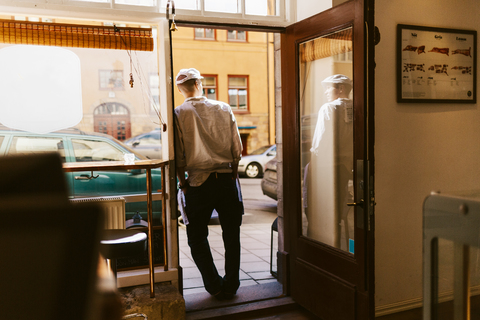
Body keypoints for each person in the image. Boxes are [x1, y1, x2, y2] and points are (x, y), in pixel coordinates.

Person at [174, 68, 244, 300]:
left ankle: (213, 285)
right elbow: (237, 149)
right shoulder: (223, 107)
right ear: (200, 83)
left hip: (197, 182)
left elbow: (179, 155)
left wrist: (183, 183)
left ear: (179, 89)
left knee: (196, 236)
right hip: (225, 180)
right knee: (231, 233)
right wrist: (233, 175)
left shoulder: (179, 113)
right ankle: (232, 284)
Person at [304, 74, 354, 248]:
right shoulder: (357, 108)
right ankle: (341, 246)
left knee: (314, 209)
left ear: (340, 89)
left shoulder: (328, 108)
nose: (325, 91)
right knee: (339, 212)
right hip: (346, 168)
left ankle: (320, 247)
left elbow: (320, 143)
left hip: (326, 168)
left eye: (329, 87)